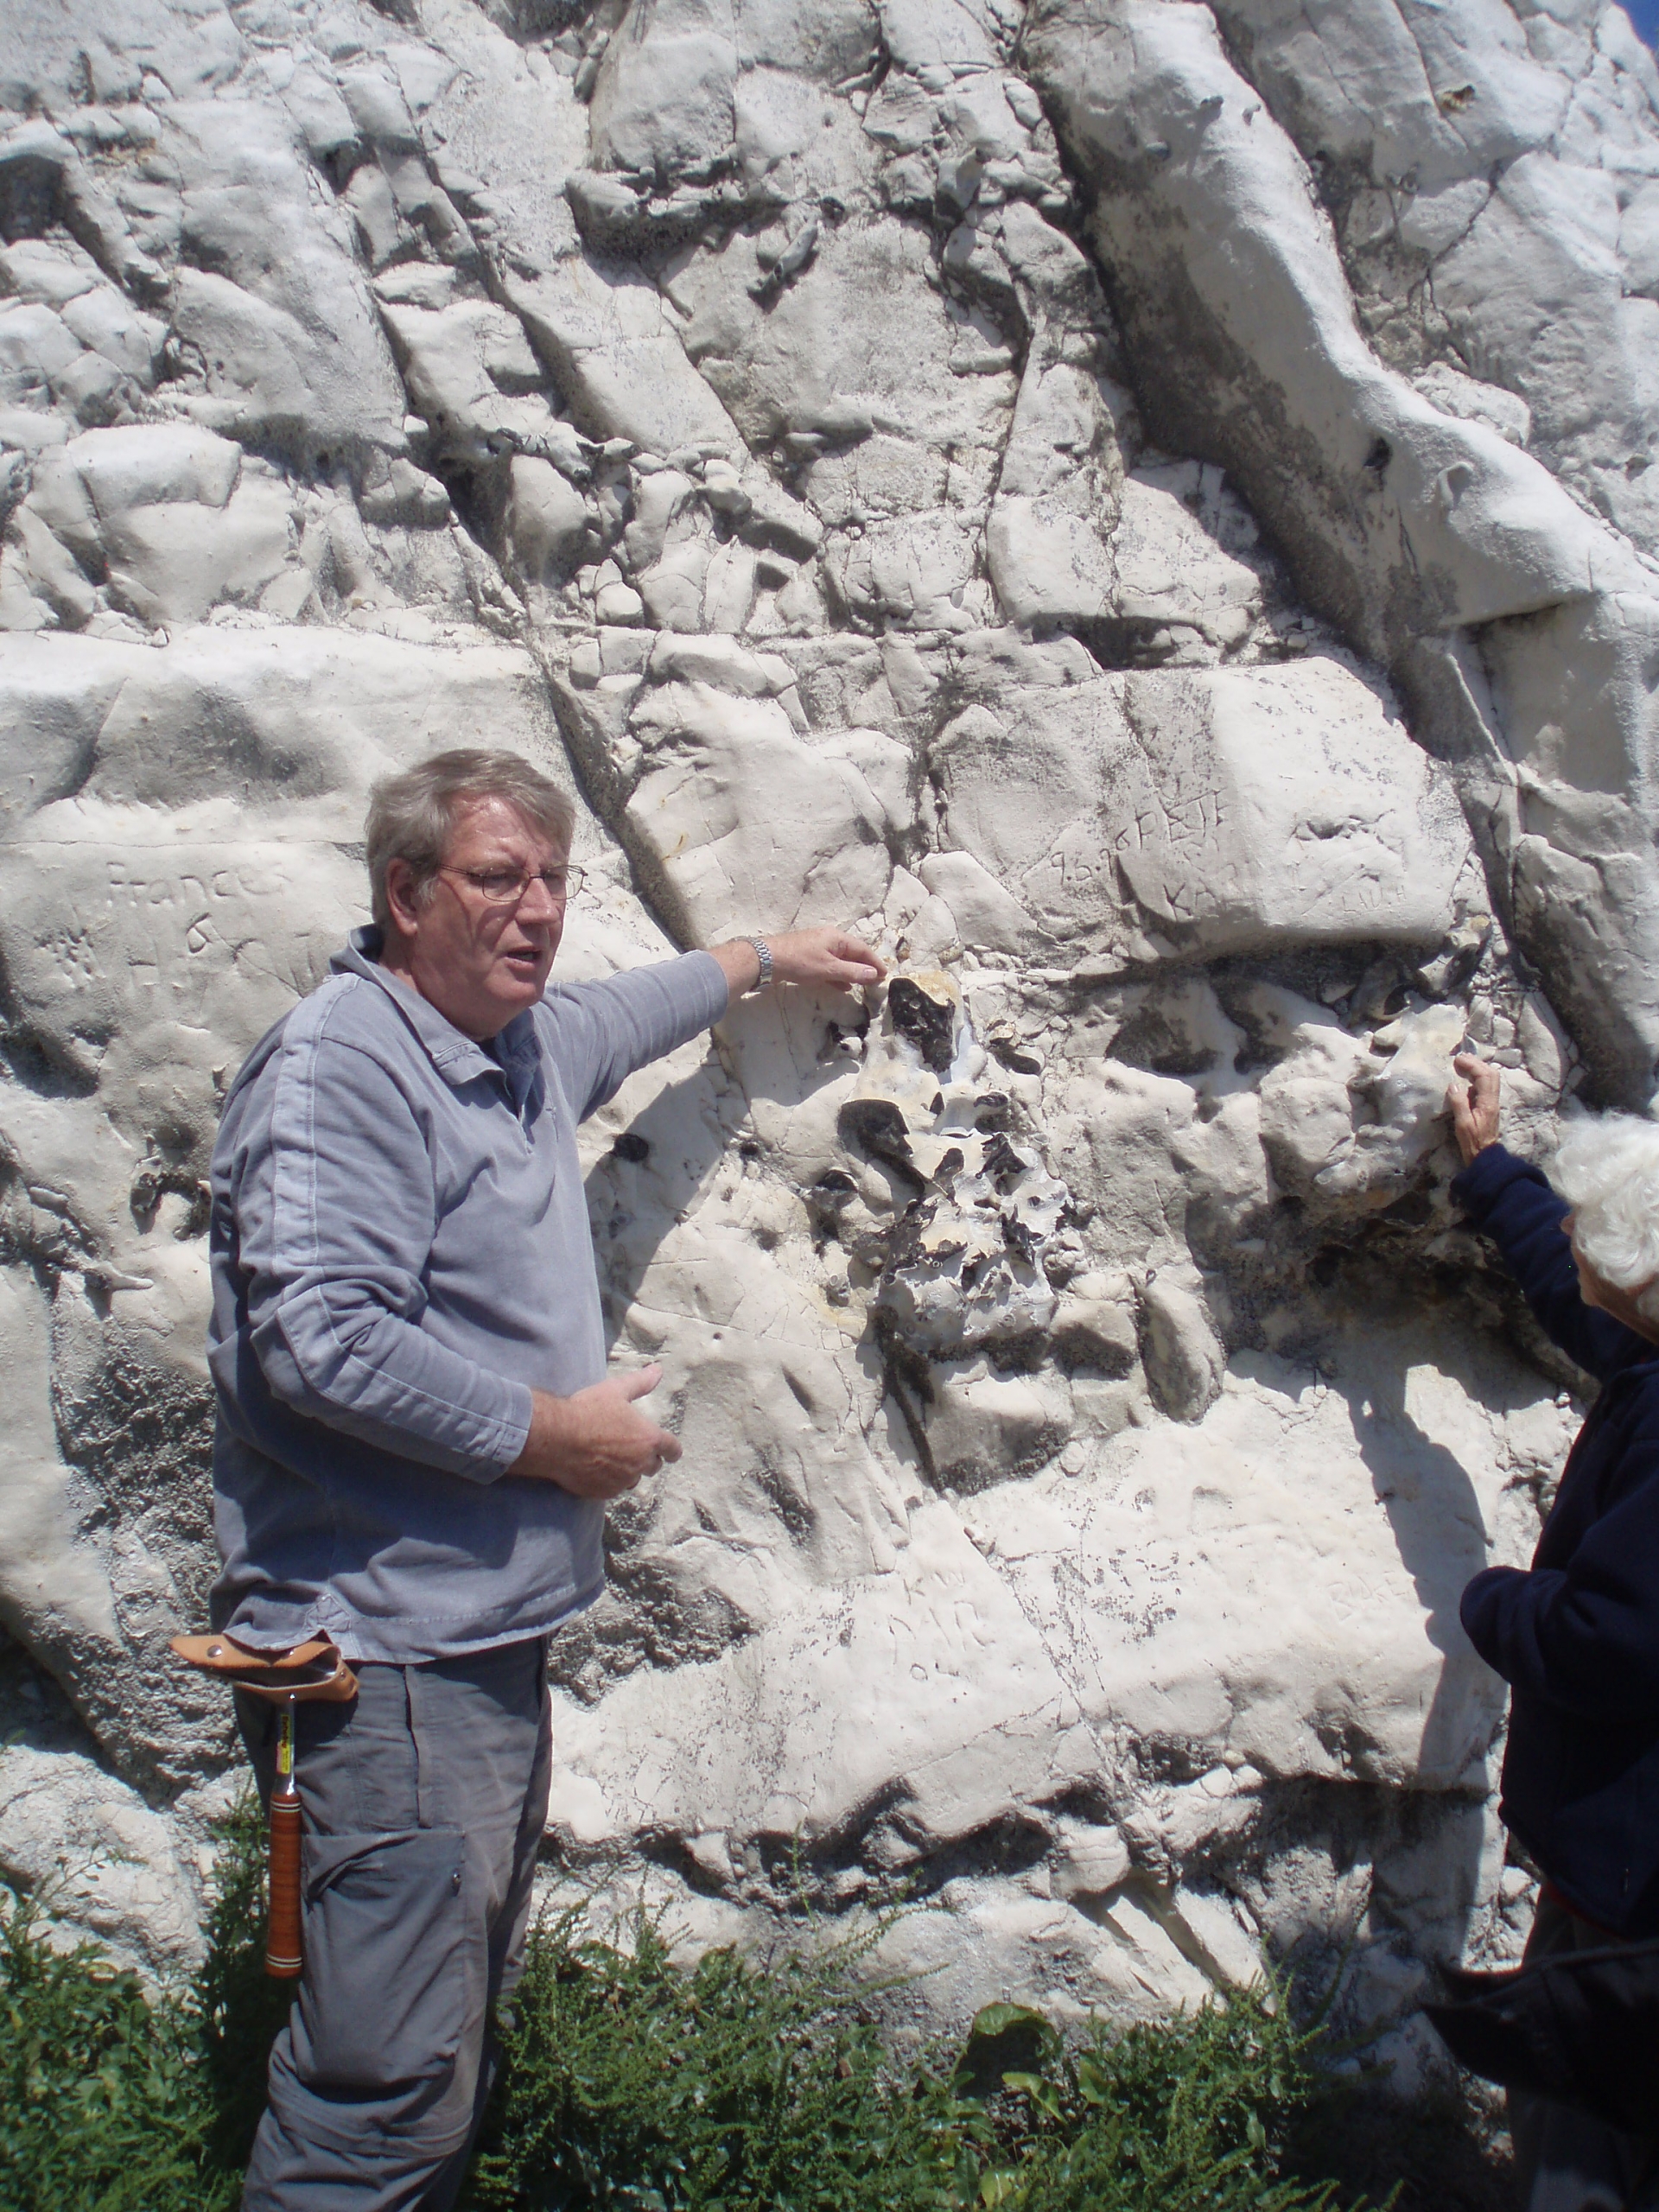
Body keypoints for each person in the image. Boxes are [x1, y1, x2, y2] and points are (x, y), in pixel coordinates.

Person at [207, 747, 886, 2210]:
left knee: (438, 2054)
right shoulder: (348, 1064)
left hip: (473, 1649)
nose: (539, 912)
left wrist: (762, 957)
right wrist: (554, 1439)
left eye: (555, 881)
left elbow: (621, 1015)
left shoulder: (507, 1046)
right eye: (496, 878)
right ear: (402, 894)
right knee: (380, 2091)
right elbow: (317, 1341)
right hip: (383, 1658)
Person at [1444, 1054, 1659, 2212]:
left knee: (1577, 2129)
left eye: (1585, 1232)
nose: (1569, 1241)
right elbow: (1580, 1294)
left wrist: (1492, 1602)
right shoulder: (1655, 1353)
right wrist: (1491, 1171)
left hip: (1631, 1885)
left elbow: (1615, 1638)